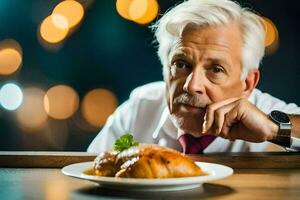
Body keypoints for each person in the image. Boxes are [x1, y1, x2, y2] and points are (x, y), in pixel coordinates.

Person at [88, 0, 300, 153]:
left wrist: (274, 129)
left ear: (247, 84)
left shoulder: (266, 114)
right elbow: (87, 174)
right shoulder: (139, 109)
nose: (192, 85)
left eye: (216, 69)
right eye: (181, 64)